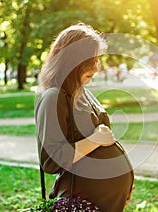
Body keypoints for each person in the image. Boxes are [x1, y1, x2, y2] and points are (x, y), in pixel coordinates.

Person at [35, 23, 134, 212]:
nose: (96, 68)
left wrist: (121, 189)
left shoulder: (82, 93)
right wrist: (95, 139)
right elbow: (51, 160)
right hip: (83, 203)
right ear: (72, 60)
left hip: (106, 202)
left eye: (97, 60)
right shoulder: (53, 97)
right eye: (91, 60)